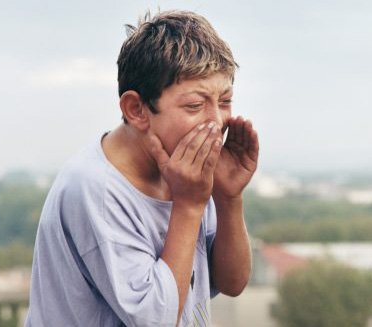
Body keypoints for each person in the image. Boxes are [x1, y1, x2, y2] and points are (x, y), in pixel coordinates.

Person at [25, 9, 259, 327]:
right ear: (137, 109)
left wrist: (228, 198)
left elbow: (232, 283)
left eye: (225, 100)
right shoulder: (97, 190)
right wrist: (189, 204)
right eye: (195, 105)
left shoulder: (184, 170)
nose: (216, 121)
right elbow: (156, 320)